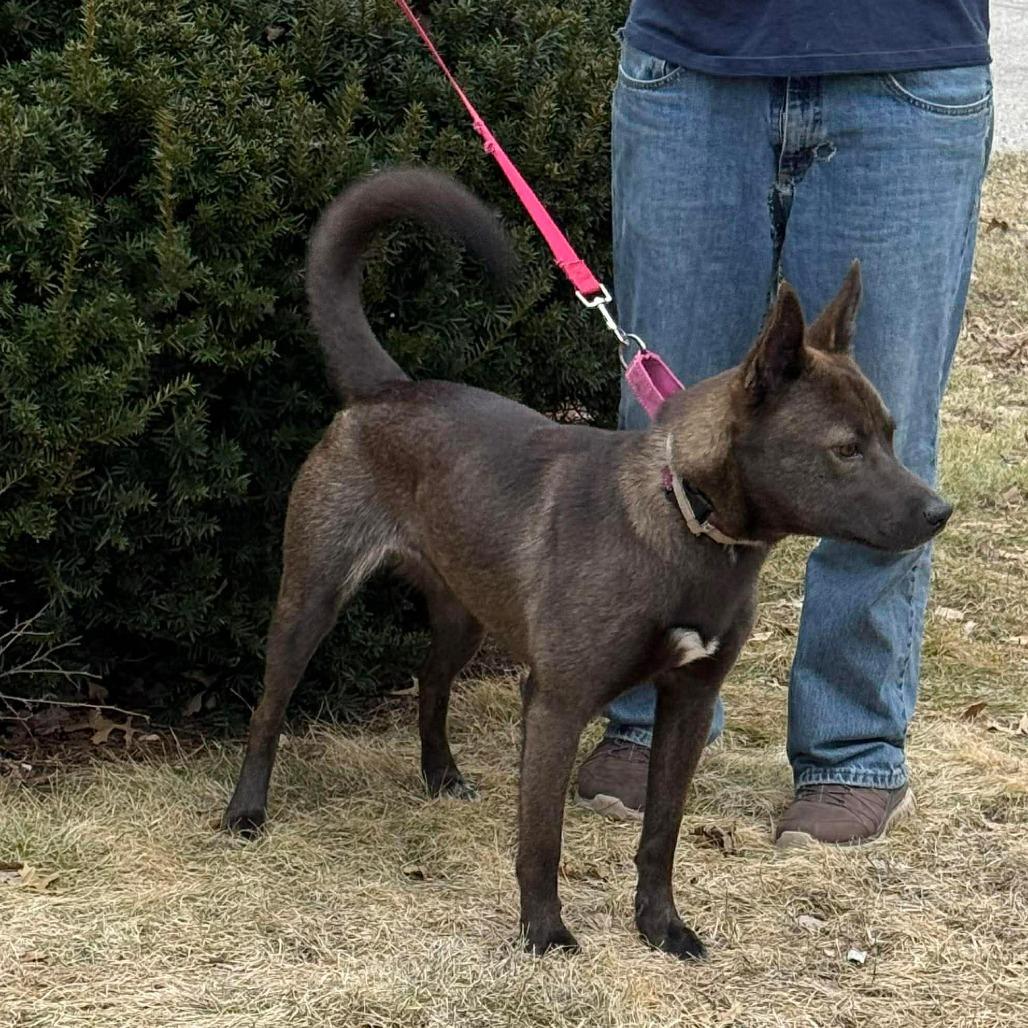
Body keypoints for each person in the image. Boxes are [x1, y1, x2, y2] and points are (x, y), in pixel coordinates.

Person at [575, 1, 993, 846]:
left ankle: (852, 751)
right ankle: (650, 713)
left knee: (874, 441)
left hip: (906, 63)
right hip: (692, 63)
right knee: (668, 437)